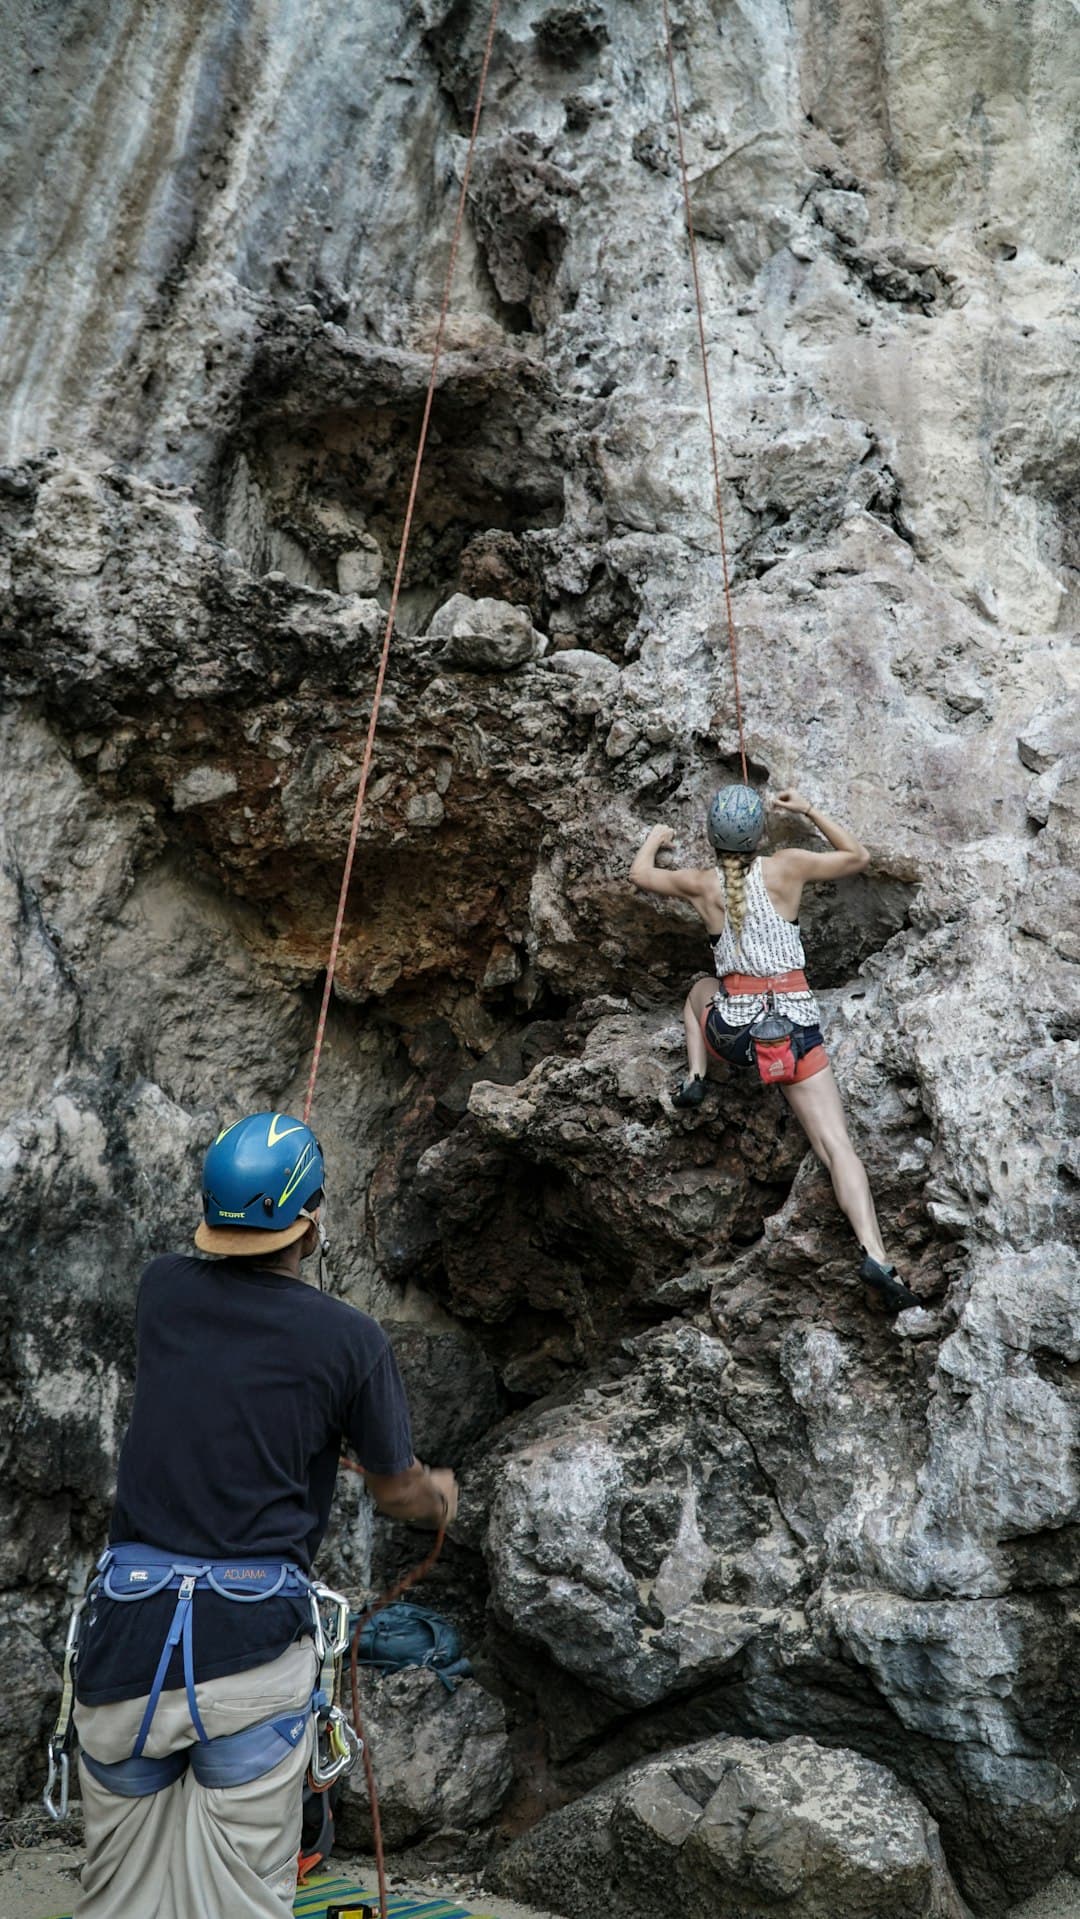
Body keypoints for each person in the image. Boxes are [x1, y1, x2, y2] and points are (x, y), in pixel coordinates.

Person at [68, 1111, 459, 1919]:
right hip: (248, 1652)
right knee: (241, 1899)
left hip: (125, 1648)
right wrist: (439, 1494)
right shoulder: (351, 1340)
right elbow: (396, 1491)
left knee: (120, 1900)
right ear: (310, 1222)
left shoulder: (160, 1289)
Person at [629, 784, 917, 1313]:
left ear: (712, 839)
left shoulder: (700, 883)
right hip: (793, 1033)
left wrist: (655, 836)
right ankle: (875, 1253)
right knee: (837, 1149)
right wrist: (807, 810)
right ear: (760, 834)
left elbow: (640, 875)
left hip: (736, 1038)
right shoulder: (787, 866)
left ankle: (695, 1077)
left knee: (698, 993)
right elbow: (858, 856)